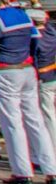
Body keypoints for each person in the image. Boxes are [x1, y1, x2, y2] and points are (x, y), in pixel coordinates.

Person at [0, 0, 56, 184]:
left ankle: (22, 172)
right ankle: (51, 169)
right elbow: (34, 43)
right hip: (28, 69)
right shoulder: (23, 15)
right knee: (35, 120)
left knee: (12, 123)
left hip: (6, 71)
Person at [31, 8, 56, 160]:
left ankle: (52, 151)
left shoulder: (35, 39)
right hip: (53, 75)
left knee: (47, 116)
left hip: (43, 78)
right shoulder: (52, 33)